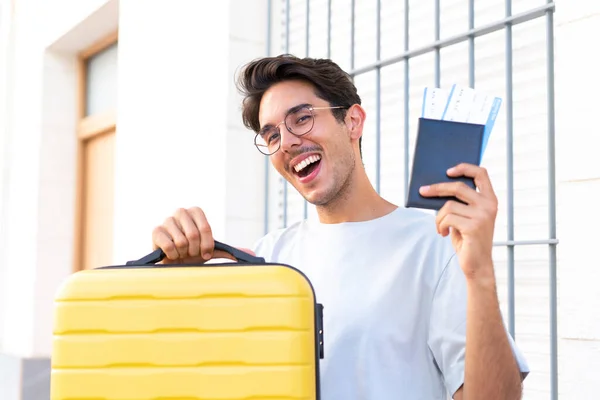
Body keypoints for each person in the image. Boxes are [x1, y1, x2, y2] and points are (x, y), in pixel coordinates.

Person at [151, 54, 529, 399]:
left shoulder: (437, 243)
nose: (288, 142)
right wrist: (176, 282)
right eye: (272, 135)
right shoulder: (269, 258)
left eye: (302, 118)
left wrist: (479, 274)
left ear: (352, 120)